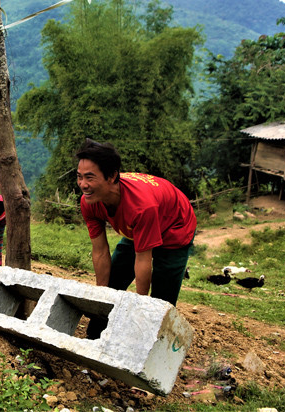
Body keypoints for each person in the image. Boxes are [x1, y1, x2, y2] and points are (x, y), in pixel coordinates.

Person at [75, 139, 196, 339]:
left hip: (175, 226)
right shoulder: (89, 202)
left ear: (112, 176)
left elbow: (142, 260)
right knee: (113, 281)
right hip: (137, 227)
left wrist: (141, 306)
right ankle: (95, 335)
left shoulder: (141, 206)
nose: (83, 185)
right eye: (79, 177)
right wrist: (101, 298)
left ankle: (153, 344)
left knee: (159, 302)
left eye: (90, 178)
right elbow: (100, 251)